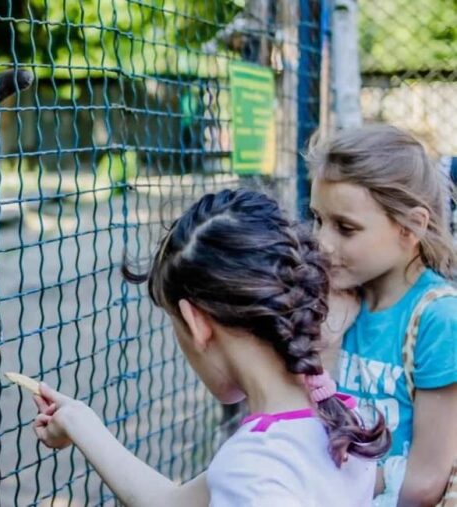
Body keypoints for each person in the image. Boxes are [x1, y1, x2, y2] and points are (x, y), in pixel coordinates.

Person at [31, 189, 390, 506]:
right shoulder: (339, 420)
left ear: (195, 322)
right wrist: (78, 422)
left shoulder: (252, 468)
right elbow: (172, 503)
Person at [308, 124, 457, 506]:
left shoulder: (438, 319)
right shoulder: (334, 299)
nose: (322, 242)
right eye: (318, 219)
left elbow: (425, 481)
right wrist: (328, 335)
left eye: (345, 227)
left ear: (411, 226)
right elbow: (309, 424)